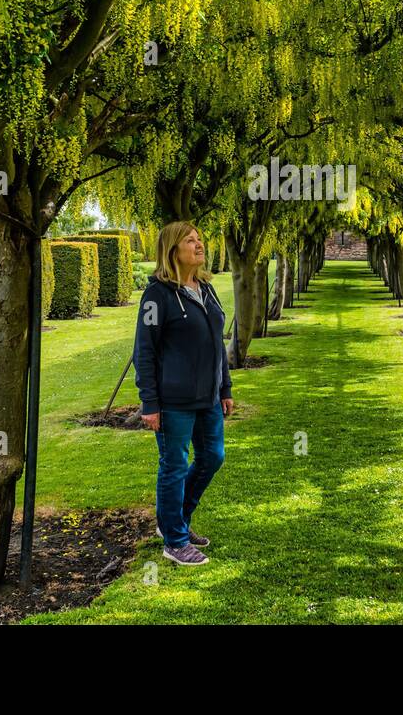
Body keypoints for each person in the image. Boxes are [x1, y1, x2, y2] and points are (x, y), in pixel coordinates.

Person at [133, 221, 234, 567]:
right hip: (173, 400)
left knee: (212, 457)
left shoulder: (206, 288)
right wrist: (150, 402)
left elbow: (218, 344)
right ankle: (174, 540)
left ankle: (175, 520)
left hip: (208, 397)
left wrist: (225, 387)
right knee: (174, 466)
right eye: (190, 240)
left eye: (200, 238)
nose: (198, 244)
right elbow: (144, 350)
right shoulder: (157, 295)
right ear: (172, 250)